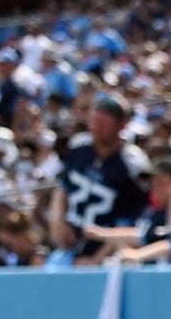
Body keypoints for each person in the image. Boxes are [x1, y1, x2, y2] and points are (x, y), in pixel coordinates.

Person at [59, 93, 150, 236]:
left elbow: (132, 220)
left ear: (122, 125)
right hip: (69, 237)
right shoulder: (79, 146)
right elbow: (63, 187)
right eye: (95, 121)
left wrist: (97, 257)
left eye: (104, 123)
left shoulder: (133, 164)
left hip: (107, 247)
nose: (97, 128)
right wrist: (58, 223)